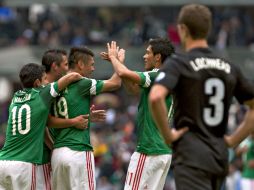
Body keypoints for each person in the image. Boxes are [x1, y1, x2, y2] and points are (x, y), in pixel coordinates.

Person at [149, 4, 254, 190]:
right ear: (208, 29)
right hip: (219, 156)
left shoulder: (179, 63)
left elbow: (156, 98)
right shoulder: (228, 66)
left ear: (183, 29)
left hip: (191, 155)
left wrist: (168, 136)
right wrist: (233, 140)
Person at [102, 39, 176, 189]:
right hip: (163, 151)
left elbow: (123, 73)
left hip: (149, 149)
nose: (144, 56)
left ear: (158, 57)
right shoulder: (167, 77)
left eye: (148, 52)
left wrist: (114, 59)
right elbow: (132, 89)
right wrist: (118, 64)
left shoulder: (158, 75)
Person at [0, 63, 83, 190]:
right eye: (45, 79)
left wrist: (54, 148)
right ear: (38, 82)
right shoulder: (41, 94)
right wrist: (85, 81)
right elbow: (70, 77)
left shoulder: (15, 98)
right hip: (24, 164)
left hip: (3, 162)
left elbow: (41, 126)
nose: (47, 82)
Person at [50, 44, 122, 190]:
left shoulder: (54, 86)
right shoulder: (82, 83)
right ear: (80, 64)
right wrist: (117, 61)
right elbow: (115, 83)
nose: (93, 69)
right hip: (78, 151)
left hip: (57, 154)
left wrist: (87, 117)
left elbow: (54, 119)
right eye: (92, 65)